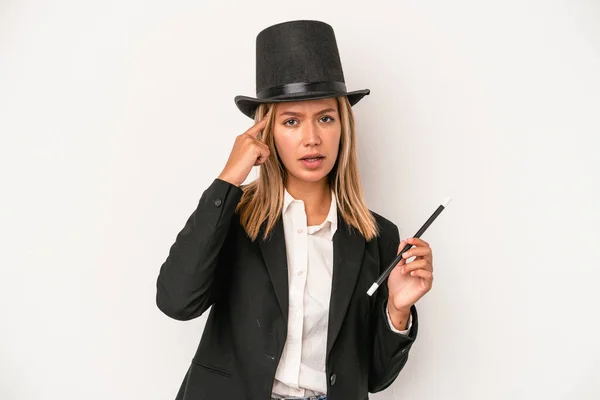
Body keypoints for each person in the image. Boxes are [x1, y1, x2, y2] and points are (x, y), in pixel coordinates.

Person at [156, 20, 435, 400]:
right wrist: (229, 179)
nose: (312, 138)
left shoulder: (376, 236)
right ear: (266, 132)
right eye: (291, 121)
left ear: (343, 127)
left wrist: (397, 311)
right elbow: (176, 302)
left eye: (325, 118)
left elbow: (373, 378)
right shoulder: (234, 220)